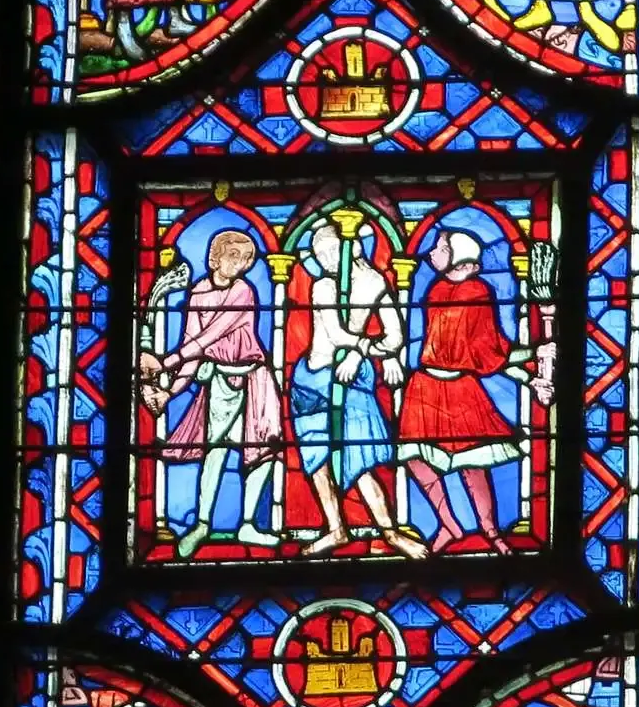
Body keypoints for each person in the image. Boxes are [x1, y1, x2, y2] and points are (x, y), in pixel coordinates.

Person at [399, 230, 555, 555]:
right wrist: (531, 357)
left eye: (441, 247)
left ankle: (491, 531)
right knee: (415, 458)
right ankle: (447, 523)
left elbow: (487, 352)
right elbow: (486, 355)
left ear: (458, 257)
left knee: (473, 463)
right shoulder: (436, 290)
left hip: (459, 388)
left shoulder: (477, 291)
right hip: (425, 385)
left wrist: (531, 361)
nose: (433, 252)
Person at [290, 223, 428, 559]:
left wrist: (366, 352)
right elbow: (336, 333)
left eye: (331, 251)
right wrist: (368, 347)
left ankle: (391, 532)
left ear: (353, 247)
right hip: (311, 380)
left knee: (360, 459)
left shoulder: (375, 282)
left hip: (352, 379)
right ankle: (336, 528)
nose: (325, 260)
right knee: (317, 460)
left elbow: (396, 336)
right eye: (319, 254)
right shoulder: (322, 286)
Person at [143, 230, 282, 559]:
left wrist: (164, 363)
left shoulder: (244, 292)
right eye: (233, 256)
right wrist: (169, 393)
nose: (241, 264)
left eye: (247, 259)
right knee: (214, 453)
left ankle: (248, 523)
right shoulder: (197, 295)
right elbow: (194, 353)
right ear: (213, 257)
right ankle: (202, 524)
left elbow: (208, 338)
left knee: (263, 451)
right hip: (217, 381)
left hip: (253, 377)